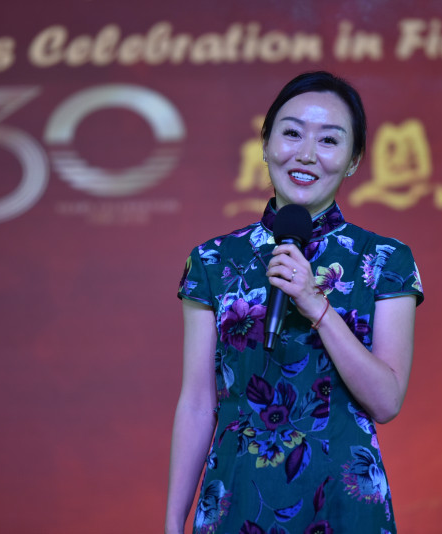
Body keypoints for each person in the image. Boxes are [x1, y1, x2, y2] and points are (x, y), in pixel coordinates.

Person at [165, 71, 424, 534]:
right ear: (265, 145)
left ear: (353, 161)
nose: (306, 154)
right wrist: (172, 523)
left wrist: (314, 302)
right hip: (237, 501)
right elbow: (198, 405)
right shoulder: (213, 261)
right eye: (291, 133)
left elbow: (386, 401)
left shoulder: (385, 259)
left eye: (329, 140)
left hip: (343, 505)